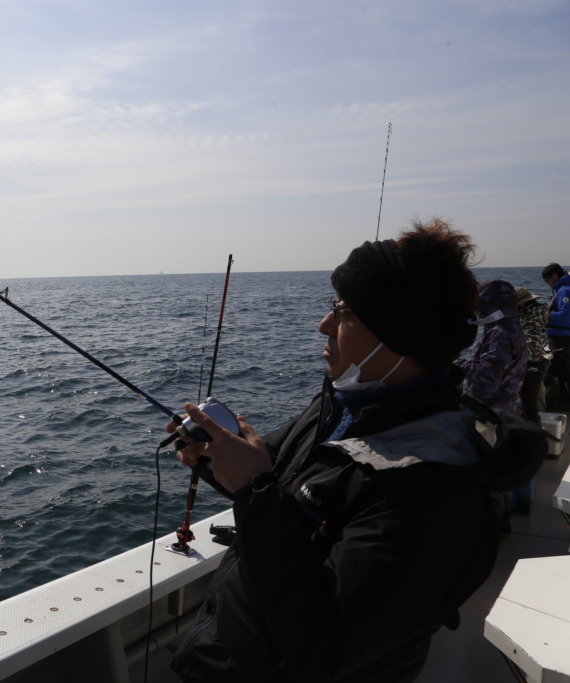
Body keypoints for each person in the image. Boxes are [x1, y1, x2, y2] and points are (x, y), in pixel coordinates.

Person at [167, 219, 546, 683]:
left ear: (401, 337)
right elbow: (282, 490)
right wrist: (219, 458)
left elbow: (321, 648)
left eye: (345, 313)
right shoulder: (342, 403)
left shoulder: (437, 486)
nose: (325, 324)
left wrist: (253, 485)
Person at [456, 280, 527, 415]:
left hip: (491, 413)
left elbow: (489, 374)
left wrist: (459, 364)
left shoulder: (499, 333)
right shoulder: (511, 325)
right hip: (506, 408)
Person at [514, 286, 551, 422]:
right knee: (528, 398)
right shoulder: (541, 309)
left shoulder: (530, 314)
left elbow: (529, 338)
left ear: (522, 302)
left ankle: (533, 432)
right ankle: (532, 430)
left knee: (527, 399)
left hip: (533, 359)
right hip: (540, 356)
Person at [542, 262, 570, 399]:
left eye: (547, 280)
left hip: (561, 337)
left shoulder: (564, 290)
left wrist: (545, 315)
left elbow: (566, 316)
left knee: (562, 369)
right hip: (563, 336)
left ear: (554, 275)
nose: (547, 284)